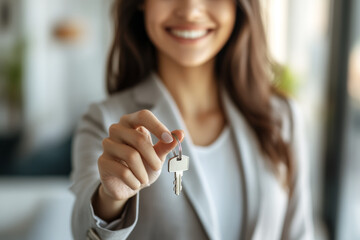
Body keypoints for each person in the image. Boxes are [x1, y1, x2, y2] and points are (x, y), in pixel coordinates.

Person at [70, 0, 314, 239]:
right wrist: (110, 200)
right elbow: (82, 232)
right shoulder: (106, 122)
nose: (190, 10)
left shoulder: (282, 117)